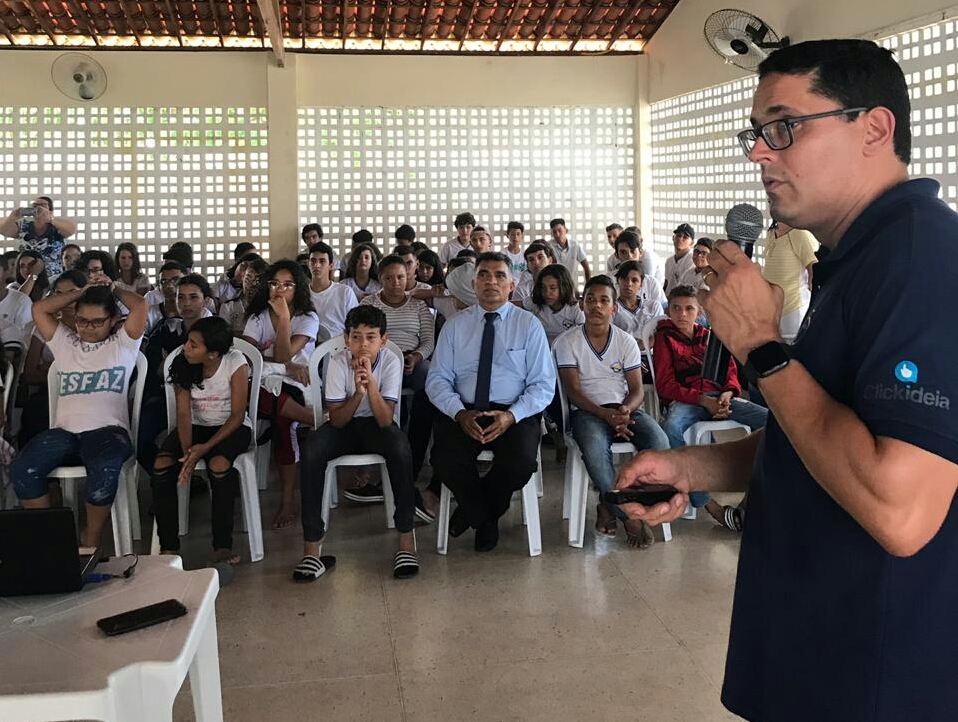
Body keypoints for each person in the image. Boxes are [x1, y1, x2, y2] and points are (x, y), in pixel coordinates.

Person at [615, 39, 958, 722]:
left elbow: (900, 508)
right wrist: (692, 466)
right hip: (817, 650)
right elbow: (829, 435)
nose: (758, 152)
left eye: (783, 127)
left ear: (874, 128)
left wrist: (761, 346)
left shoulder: (919, 258)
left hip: (874, 674)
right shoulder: (854, 257)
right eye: (756, 133)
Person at [426, 252, 555, 552]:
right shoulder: (455, 326)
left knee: (521, 463)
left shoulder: (529, 325)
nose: (491, 281)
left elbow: (543, 384)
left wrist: (512, 415)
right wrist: (459, 413)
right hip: (464, 410)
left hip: (512, 411)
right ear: (473, 283)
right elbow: (437, 380)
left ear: (512, 285)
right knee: (444, 459)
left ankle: (475, 513)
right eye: (484, 275)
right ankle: (484, 517)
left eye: (499, 276)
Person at [10, 278, 147, 548]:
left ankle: (90, 540)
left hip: (108, 432)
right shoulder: (65, 343)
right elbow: (40, 309)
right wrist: (82, 292)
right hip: (64, 433)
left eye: (97, 322)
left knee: (104, 471)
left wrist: (112, 289)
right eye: (83, 321)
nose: (88, 328)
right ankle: (51, 538)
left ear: (112, 320)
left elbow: (140, 305)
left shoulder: (123, 344)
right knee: (23, 470)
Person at [293, 305, 419, 583]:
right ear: (346, 339)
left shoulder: (390, 362)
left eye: (371, 337)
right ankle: (312, 549)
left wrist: (370, 385)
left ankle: (406, 542)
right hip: (345, 426)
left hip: (377, 426)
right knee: (313, 449)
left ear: (383, 340)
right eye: (356, 337)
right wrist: (358, 393)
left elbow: (386, 420)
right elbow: (336, 421)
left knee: (400, 448)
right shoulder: (338, 362)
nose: (363, 344)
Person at [554, 275, 669, 548]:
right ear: (582, 305)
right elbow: (574, 392)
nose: (596, 306)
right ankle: (629, 515)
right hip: (587, 412)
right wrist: (604, 415)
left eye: (604, 300)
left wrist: (625, 411)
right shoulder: (567, 342)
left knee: (660, 444)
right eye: (590, 299)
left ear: (613, 308)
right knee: (595, 451)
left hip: (623, 409)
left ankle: (609, 505)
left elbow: (637, 390)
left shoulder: (626, 341)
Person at [151, 316, 252, 565]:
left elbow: (238, 415)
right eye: (188, 341)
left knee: (219, 465)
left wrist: (204, 449)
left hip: (230, 427)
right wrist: (187, 452)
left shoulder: (235, 362)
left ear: (213, 354)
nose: (186, 347)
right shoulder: (182, 363)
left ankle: (222, 546)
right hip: (194, 426)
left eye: (194, 345)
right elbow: (183, 414)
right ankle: (169, 547)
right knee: (161, 466)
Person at [243, 259, 319, 529]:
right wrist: (283, 361)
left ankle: (287, 501)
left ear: (297, 288)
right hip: (261, 386)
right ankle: (312, 419)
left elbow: (282, 354)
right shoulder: (257, 316)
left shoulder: (307, 317)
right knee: (257, 393)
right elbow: (249, 357)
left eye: (287, 285)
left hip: (295, 385)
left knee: (283, 422)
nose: (279, 290)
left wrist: (285, 318)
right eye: (274, 283)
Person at [360, 256, 435, 500]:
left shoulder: (418, 306)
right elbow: (360, 338)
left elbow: (428, 340)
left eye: (401, 277)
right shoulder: (369, 305)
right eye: (389, 278)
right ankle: (376, 465)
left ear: (409, 277)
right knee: (374, 395)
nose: (396, 283)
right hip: (379, 363)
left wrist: (416, 357)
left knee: (431, 384)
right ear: (380, 279)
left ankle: (412, 458)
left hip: (411, 361)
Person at [18, 270, 86, 447]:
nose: (66, 300)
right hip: (48, 392)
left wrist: (52, 368)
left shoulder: (93, 327)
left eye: (72, 293)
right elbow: (30, 373)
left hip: (87, 393)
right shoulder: (42, 328)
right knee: (36, 413)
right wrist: (65, 374)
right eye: (59, 294)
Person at [762, 220, 819, 342]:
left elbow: (815, 267)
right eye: (769, 201)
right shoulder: (771, 233)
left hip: (793, 308)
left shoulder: (801, 233)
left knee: (791, 353)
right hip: (771, 309)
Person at [1, 197, 77, 277]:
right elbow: (3, 231)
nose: (38, 208)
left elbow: (71, 230)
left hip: (53, 277)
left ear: (50, 210)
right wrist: (12, 217)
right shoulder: (23, 226)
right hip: (26, 276)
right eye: (35, 205)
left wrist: (50, 218)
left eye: (43, 205)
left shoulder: (57, 226)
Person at [521, 264, 584, 347]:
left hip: (569, 352)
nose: (547, 293)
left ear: (564, 287)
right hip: (543, 352)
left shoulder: (576, 309)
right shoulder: (536, 303)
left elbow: (584, 338)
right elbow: (510, 306)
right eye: (543, 287)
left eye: (553, 288)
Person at [307, 242, 358, 339]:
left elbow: (355, 325)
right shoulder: (302, 293)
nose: (316, 265)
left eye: (322, 261)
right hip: (308, 347)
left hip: (339, 347)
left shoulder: (345, 292)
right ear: (308, 264)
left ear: (331, 265)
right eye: (313, 261)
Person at [612, 260, 666, 340]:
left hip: (651, 352)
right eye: (624, 279)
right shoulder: (612, 309)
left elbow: (660, 336)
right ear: (618, 281)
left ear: (641, 285)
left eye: (634, 280)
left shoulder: (654, 307)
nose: (629, 284)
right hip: (622, 352)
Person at [220, 257, 267, 336]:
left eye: (258, 281)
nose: (252, 284)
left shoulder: (269, 308)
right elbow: (224, 336)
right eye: (248, 279)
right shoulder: (228, 307)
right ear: (242, 279)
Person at [548, 218, 590, 289]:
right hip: (555, 286)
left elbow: (586, 267)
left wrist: (588, 288)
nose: (557, 234)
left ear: (566, 230)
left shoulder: (574, 245)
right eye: (554, 232)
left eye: (559, 230)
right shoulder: (549, 246)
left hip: (570, 285)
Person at [663, 223, 697, 293]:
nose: (680, 239)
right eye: (678, 235)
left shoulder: (692, 260)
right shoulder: (669, 261)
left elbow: (685, 288)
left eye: (685, 237)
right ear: (673, 238)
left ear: (692, 243)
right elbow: (666, 283)